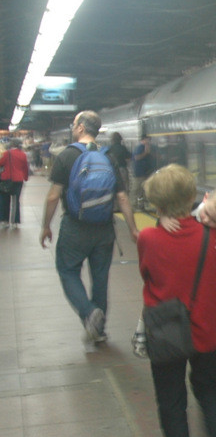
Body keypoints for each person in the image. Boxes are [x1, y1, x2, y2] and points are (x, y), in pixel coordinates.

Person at [137, 165, 216, 437]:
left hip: (167, 332)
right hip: (209, 327)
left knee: (171, 400)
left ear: (157, 206)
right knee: (208, 387)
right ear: (194, 197)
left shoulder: (150, 236)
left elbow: (147, 272)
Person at [40, 110, 140, 344]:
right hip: (104, 229)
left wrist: (46, 226)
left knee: (68, 271)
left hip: (75, 226)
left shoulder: (67, 156)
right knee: (100, 279)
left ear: (82, 128)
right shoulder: (109, 158)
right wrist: (133, 229)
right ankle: (100, 330)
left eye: (74, 123)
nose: (73, 127)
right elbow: (123, 198)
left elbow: (53, 196)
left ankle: (88, 312)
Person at [132, 185, 216, 358]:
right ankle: (142, 330)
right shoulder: (189, 209)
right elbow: (163, 226)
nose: (207, 221)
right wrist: (163, 218)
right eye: (207, 214)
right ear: (205, 198)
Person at [0, 138, 30, 228]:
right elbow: (25, 167)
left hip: (6, 179)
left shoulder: (6, 153)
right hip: (18, 180)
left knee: (4, 200)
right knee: (16, 200)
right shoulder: (23, 154)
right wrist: (25, 177)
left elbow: (0, 163)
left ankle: (4, 221)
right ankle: (15, 221)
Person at [131, 133, 156, 208]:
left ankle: (143, 205)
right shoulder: (139, 148)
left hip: (146, 172)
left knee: (145, 190)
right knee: (137, 189)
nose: (149, 141)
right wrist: (145, 153)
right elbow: (136, 158)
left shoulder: (149, 148)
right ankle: (133, 205)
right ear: (144, 140)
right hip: (139, 173)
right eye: (148, 139)